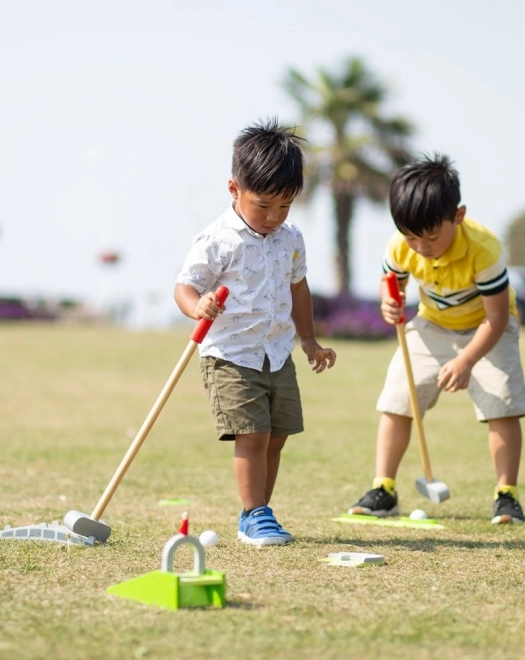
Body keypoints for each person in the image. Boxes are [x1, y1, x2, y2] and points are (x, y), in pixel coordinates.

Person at [175, 118, 336, 546]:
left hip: (277, 353)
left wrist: (308, 340)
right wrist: (198, 306)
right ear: (234, 190)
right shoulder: (216, 240)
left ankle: (257, 513)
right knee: (253, 434)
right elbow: (184, 286)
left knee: (277, 436)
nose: (273, 217)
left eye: (284, 207)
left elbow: (298, 289)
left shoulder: (291, 238)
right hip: (230, 353)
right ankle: (255, 514)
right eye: (263, 206)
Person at [349, 153, 525, 524]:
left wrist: (466, 360)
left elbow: (496, 318)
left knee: (503, 405)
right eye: (412, 236)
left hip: (488, 327)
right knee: (398, 397)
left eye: (432, 236)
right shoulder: (401, 244)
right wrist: (389, 306)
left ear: (458, 216)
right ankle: (384, 488)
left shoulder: (485, 249)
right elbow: (392, 289)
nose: (421, 246)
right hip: (431, 325)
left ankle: (506, 494)